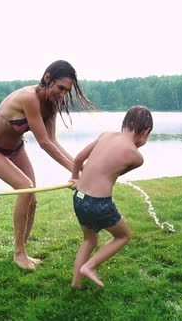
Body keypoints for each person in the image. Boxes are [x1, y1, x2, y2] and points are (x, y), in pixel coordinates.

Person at [0, 60, 95, 270]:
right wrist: (76, 170)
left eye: (66, 91)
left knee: (32, 199)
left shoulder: (52, 103)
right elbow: (43, 144)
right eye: (60, 88)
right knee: (26, 187)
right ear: (47, 78)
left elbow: (53, 141)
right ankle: (19, 254)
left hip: (16, 149)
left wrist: (82, 170)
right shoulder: (29, 98)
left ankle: (22, 250)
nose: (62, 94)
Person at [69, 105, 153, 288]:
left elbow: (77, 160)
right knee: (123, 236)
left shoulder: (105, 135)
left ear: (125, 123)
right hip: (99, 203)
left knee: (89, 239)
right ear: (146, 131)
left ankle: (76, 283)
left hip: (79, 198)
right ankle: (89, 267)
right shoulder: (136, 156)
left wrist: (75, 178)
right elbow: (114, 173)